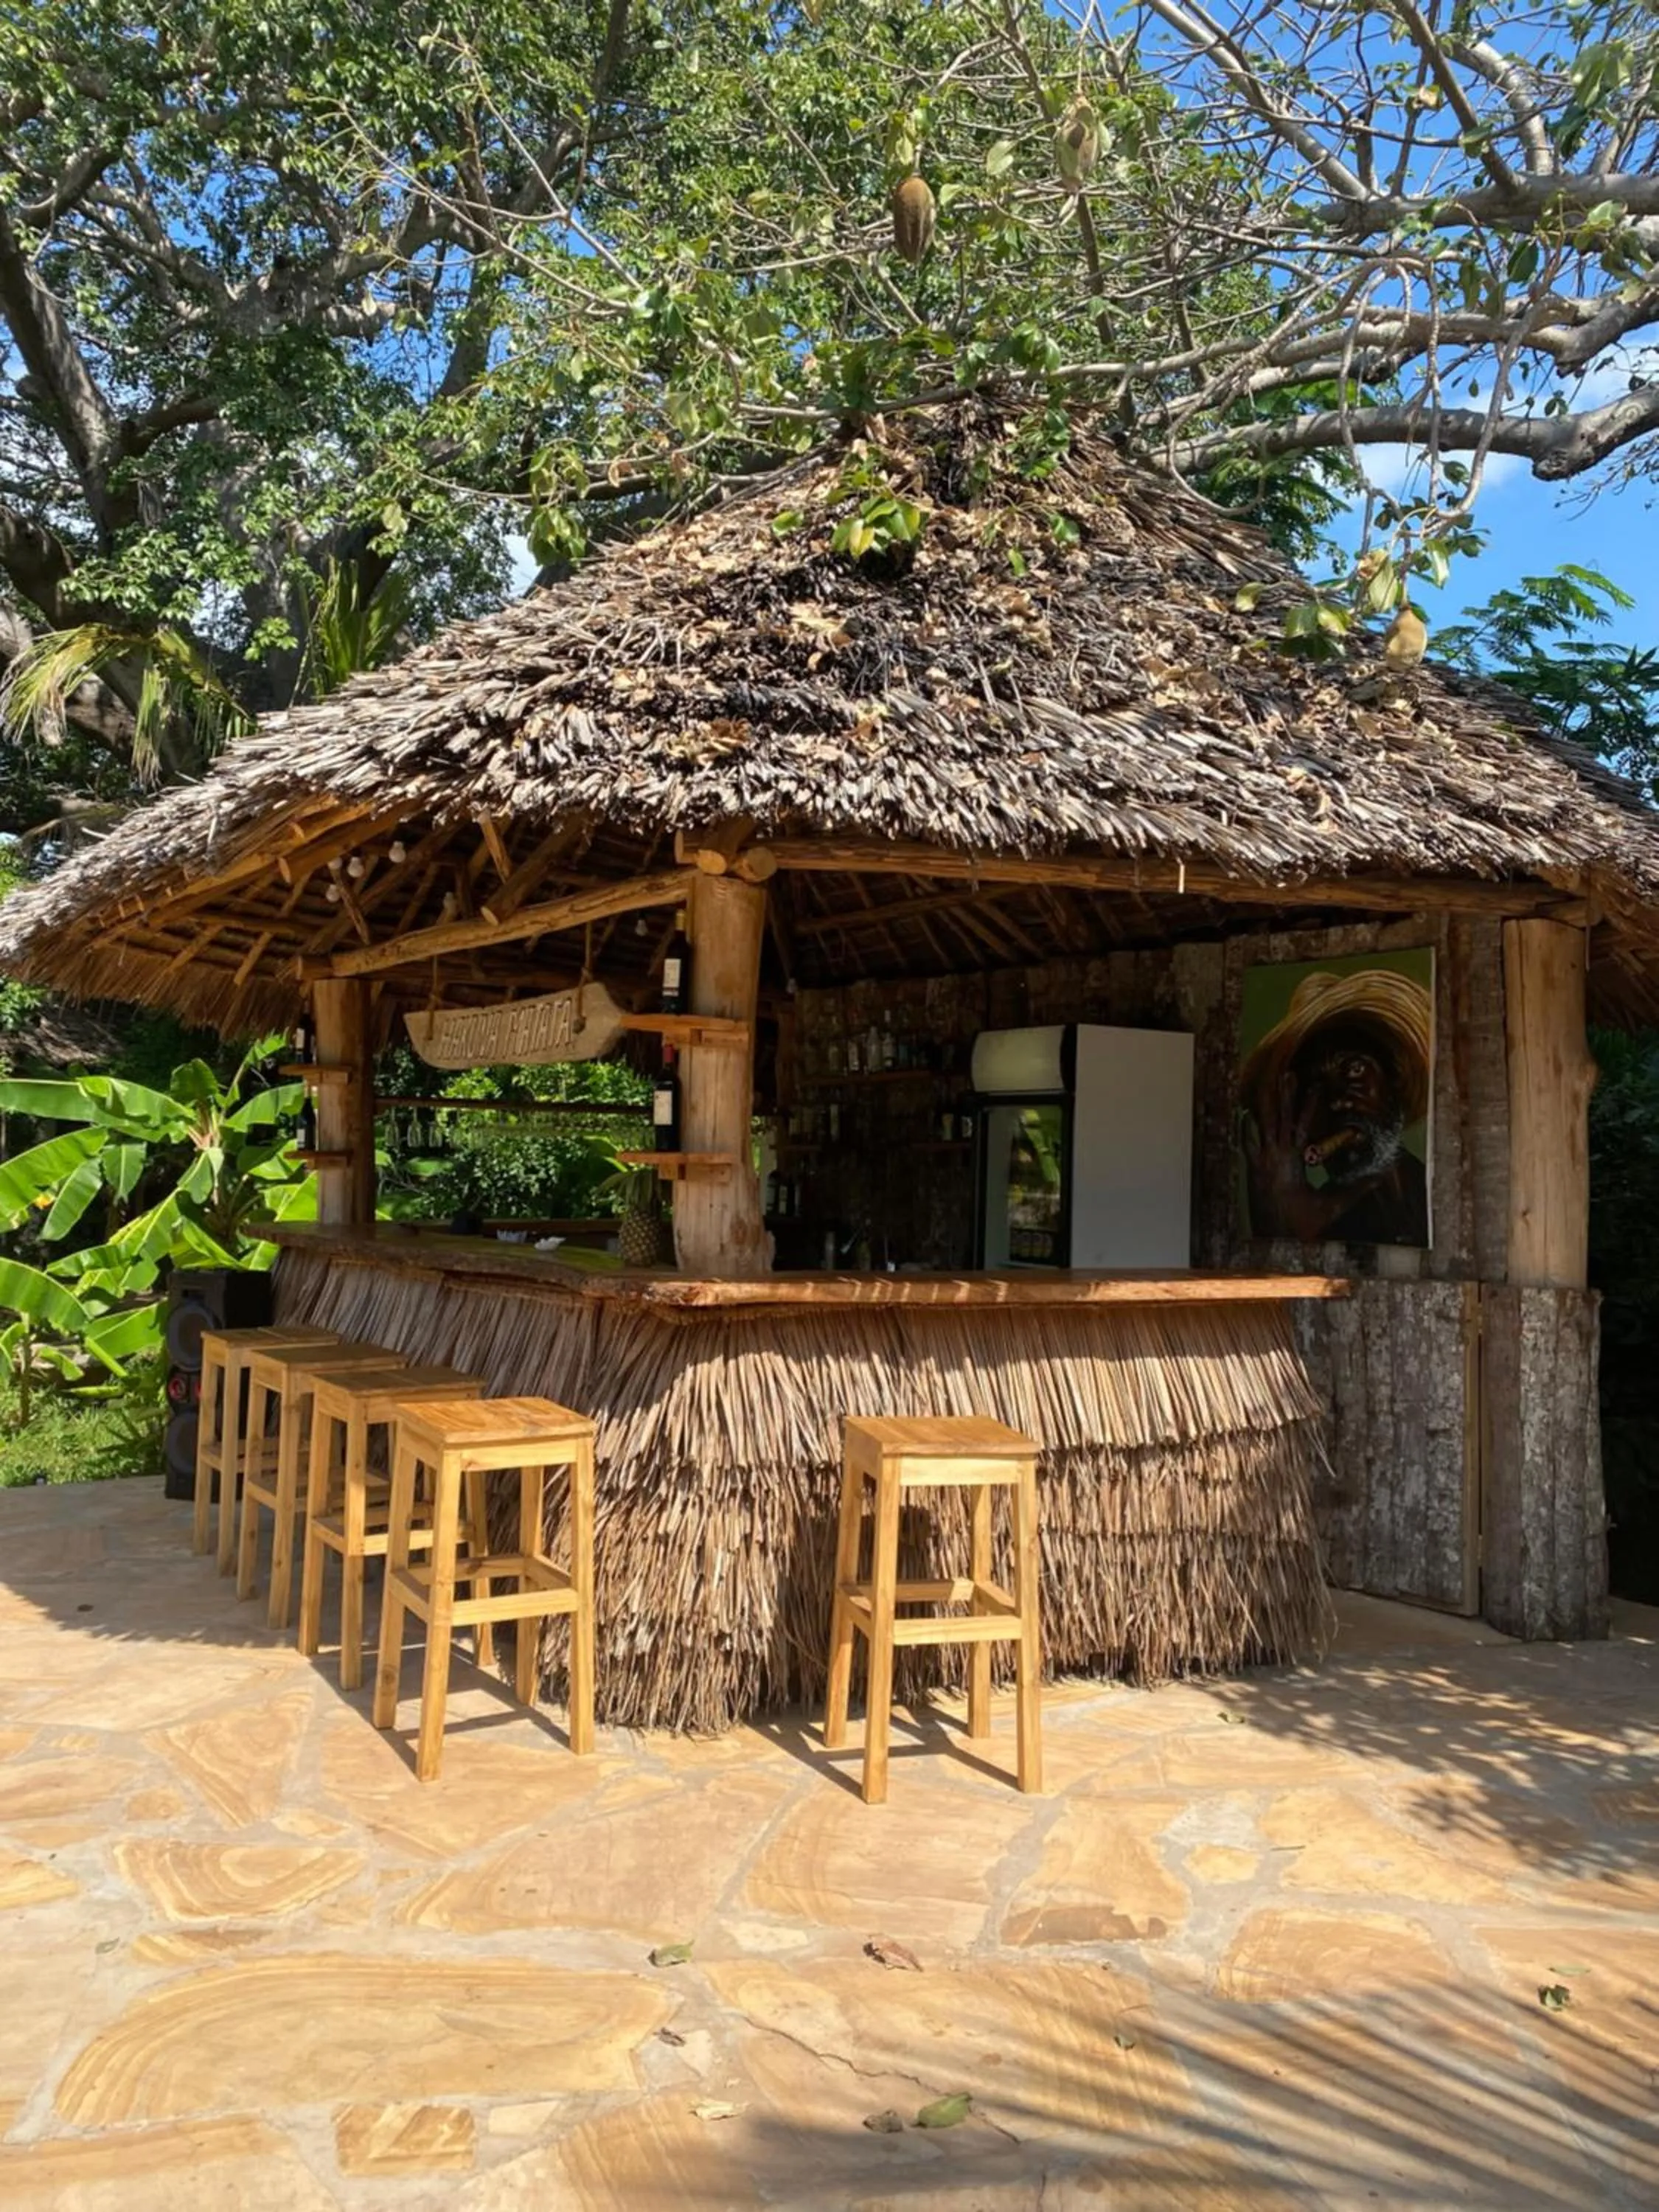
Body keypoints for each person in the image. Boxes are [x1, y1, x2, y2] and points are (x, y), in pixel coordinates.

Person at [1240, 965, 1432, 1245]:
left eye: (1354, 1070)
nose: (1337, 1101)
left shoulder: (1434, 1193)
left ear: (1394, 1078)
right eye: (1314, 1088)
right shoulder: (1320, 1222)